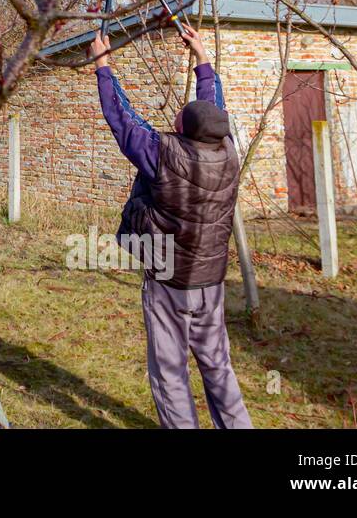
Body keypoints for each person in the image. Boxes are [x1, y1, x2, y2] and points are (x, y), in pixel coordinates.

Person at [89, 24, 253, 429]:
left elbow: (120, 121)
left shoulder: (163, 155)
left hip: (169, 281)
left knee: (170, 372)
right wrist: (202, 59)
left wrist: (102, 65)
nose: (175, 117)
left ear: (183, 130)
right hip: (211, 283)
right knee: (218, 367)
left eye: (179, 117)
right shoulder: (228, 152)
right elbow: (213, 108)